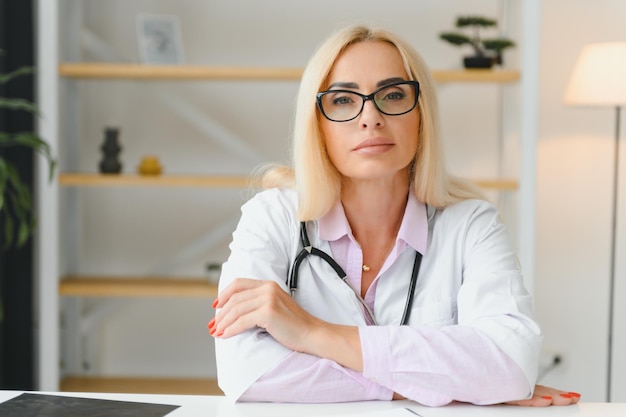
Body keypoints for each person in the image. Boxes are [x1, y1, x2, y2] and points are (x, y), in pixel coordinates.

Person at [209, 25, 580, 407]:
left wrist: (313, 333)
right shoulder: (271, 217)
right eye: (342, 100)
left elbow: (511, 364)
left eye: (393, 95)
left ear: (422, 114)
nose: (370, 117)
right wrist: (441, 384)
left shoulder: (472, 224)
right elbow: (245, 372)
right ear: (316, 123)